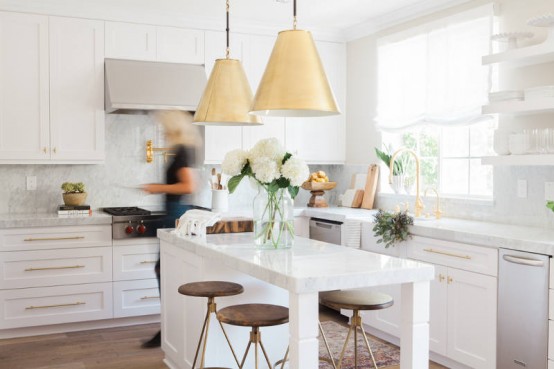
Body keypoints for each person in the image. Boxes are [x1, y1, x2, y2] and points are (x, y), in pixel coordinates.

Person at [141, 110, 201, 348]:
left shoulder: (182, 151)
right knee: (165, 271)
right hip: (173, 215)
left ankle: (170, 327)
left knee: (164, 271)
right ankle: (170, 326)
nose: (162, 130)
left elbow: (189, 185)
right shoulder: (182, 149)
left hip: (175, 216)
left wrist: (157, 187)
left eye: (164, 126)